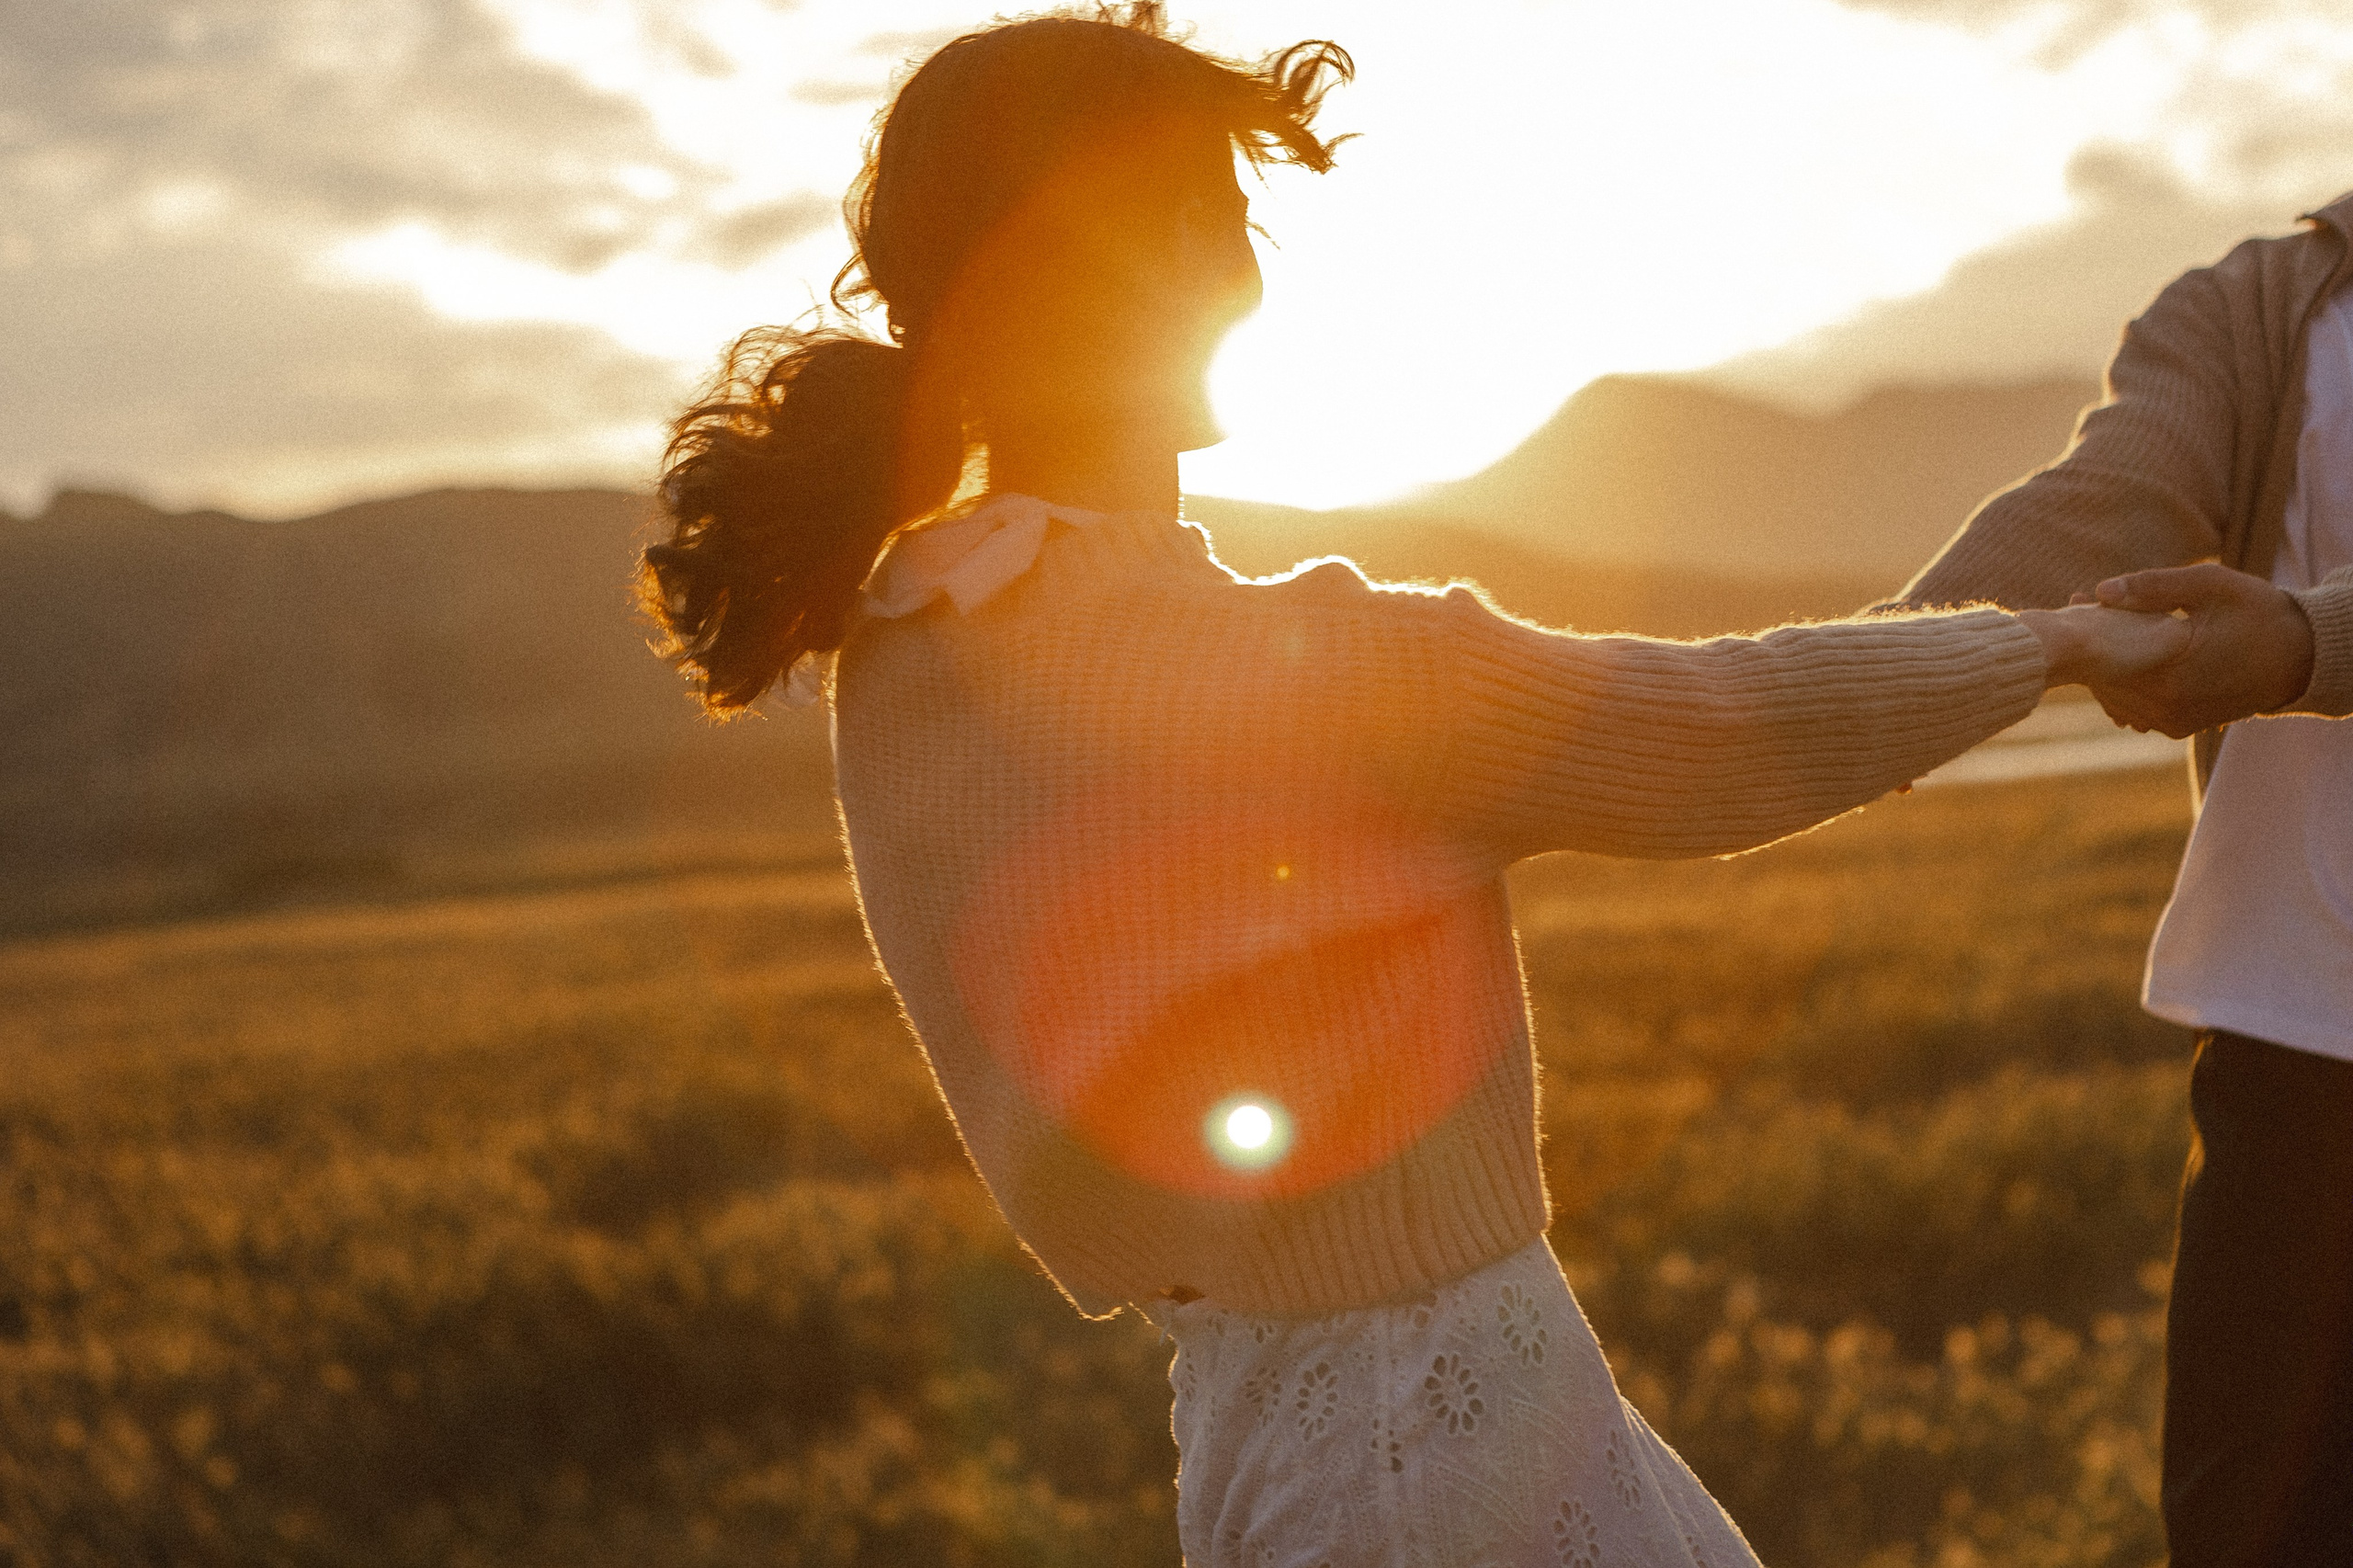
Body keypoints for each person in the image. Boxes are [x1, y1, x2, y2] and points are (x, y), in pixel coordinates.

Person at [640, 7, 2185, 1562]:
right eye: (1215, 220)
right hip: (1432, 1435)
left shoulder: (907, 641)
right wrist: (2049, 639)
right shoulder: (1293, 669)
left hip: (1254, 1433)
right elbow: (1724, 730)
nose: (1246, 272)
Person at [1888, 190, 2353, 1568]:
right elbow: (2102, 507)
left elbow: (2282, 636)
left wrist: (2295, 643)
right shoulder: (2258, 308)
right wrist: (1854, 680)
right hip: (2299, 1051)